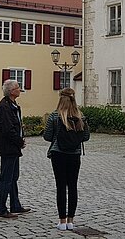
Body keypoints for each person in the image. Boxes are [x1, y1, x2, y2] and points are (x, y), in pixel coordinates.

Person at [43, 88, 90, 231]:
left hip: (58, 153)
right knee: (73, 186)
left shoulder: (55, 116)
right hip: (74, 154)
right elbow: (86, 137)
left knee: (61, 187)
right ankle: (71, 220)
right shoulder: (80, 117)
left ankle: (62, 221)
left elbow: (47, 136)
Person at [0, 79, 30, 218]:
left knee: (13, 177)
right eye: (18, 88)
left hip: (13, 146)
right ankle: (1, 208)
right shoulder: (4, 106)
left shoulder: (13, 105)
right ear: (11, 91)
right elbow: (8, 129)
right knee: (6, 178)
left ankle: (15, 205)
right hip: (8, 147)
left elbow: (17, 125)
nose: (20, 90)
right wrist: (19, 141)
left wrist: (20, 140)